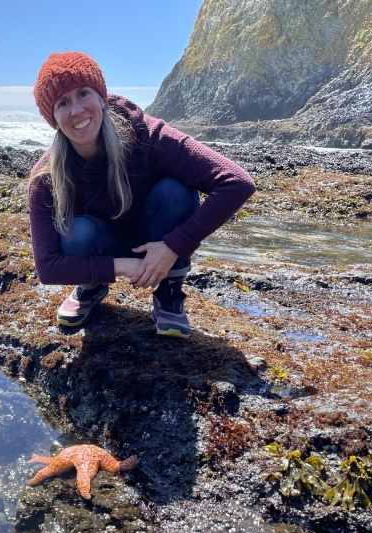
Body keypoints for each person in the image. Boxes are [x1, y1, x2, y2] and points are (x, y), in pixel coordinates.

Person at [28, 52, 256, 338]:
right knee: (76, 232)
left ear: (102, 98)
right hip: (102, 246)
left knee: (176, 192)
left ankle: (169, 290)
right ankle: (91, 285)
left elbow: (237, 182)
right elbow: (47, 268)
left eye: (83, 93)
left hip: (156, 237)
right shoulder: (46, 175)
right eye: (63, 103)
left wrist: (172, 247)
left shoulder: (149, 136)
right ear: (53, 118)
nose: (76, 110)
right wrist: (123, 266)